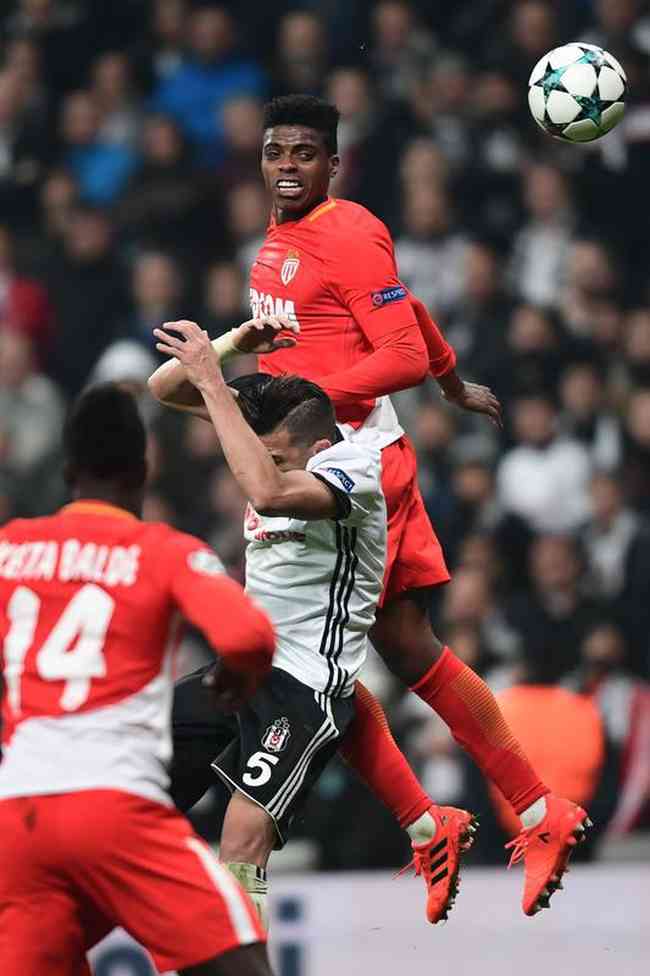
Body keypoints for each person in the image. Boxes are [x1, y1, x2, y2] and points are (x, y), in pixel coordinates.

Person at [148, 94, 589, 918]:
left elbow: (396, 354)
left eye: (304, 154)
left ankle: (505, 814)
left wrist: (313, 396)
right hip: (313, 444)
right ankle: (477, 818)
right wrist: (454, 380)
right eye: (275, 151)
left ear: (333, 163)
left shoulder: (346, 230)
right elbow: (407, 312)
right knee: (369, 650)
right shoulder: (280, 243)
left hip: (350, 461)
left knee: (333, 658)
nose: (286, 166)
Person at [153, 322, 477, 927]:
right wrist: (229, 349)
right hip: (241, 671)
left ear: (316, 447)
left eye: (274, 451)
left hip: (305, 688)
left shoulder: (355, 471)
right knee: (132, 783)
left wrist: (218, 392)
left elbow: (269, 492)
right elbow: (166, 387)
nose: (259, 458)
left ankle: (236, 964)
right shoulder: (279, 437)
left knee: (241, 845)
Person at [0, 383, 276, 976]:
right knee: (242, 963)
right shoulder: (164, 551)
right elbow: (251, 637)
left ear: (69, 471)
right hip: (114, 806)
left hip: (16, 818)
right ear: (143, 472)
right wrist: (238, 675)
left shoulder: (9, 549)